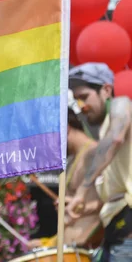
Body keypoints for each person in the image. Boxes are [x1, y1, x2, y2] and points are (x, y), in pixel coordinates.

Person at [65, 62, 132, 262]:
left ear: (106, 90)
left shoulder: (122, 104)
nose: (81, 107)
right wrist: (83, 205)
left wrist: (82, 191)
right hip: (116, 233)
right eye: (76, 100)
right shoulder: (106, 129)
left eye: (84, 97)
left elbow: (116, 138)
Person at [28, 102, 102, 249]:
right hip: (73, 249)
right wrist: (49, 242)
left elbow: (111, 201)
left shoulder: (96, 154)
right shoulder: (73, 159)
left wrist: (78, 207)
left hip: (91, 248)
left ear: (65, 128)